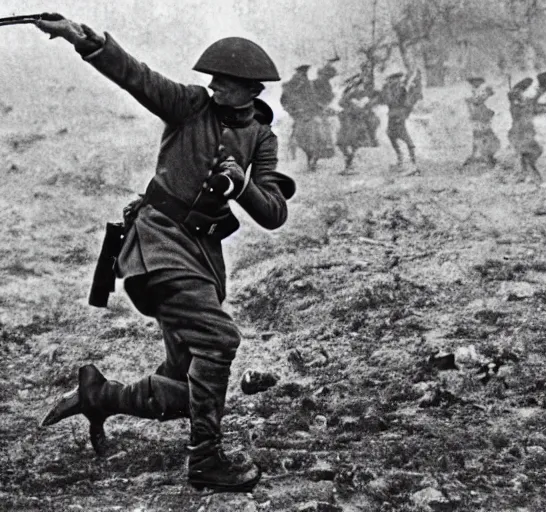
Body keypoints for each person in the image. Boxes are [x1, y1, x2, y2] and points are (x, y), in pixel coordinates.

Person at [34, 14, 295, 493]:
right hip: (156, 246)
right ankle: (206, 460)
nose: (214, 87)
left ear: (252, 90)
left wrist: (240, 185)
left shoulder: (262, 136)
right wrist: (86, 41)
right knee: (218, 341)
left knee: (184, 388)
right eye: (213, 79)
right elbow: (137, 76)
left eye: (226, 82)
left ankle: (101, 395)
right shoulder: (190, 106)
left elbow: (274, 211)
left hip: (202, 257)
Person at [381, 69, 423, 176]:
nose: (395, 81)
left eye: (397, 79)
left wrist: (404, 113)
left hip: (399, 117)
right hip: (393, 117)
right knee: (392, 136)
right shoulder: (389, 90)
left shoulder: (401, 90)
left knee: (407, 141)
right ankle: (401, 161)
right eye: (393, 79)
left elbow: (406, 103)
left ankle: (412, 163)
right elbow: (387, 101)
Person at [336, 71, 380, 174]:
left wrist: (361, 104)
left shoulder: (362, 93)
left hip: (357, 121)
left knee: (353, 143)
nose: (352, 85)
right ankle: (349, 163)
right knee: (341, 143)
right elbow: (341, 103)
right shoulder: (348, 92)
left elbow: (370, 103)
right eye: (351, 83)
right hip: (347, 120)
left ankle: (350, 165)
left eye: (355, 83)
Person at [507, 77, 545, 182]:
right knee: (528, 156)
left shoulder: (524, 104)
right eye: (518, 94)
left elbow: (533, 101)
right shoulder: (517, 106)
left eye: (521, 93)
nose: (521, 95)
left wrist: (539, 94)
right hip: (521, 134)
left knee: (527, 156)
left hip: (525, 134)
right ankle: (534, 178)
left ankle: (527, 175)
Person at [462, 77, 500, 168]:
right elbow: (473, 102)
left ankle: (484, 156)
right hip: (477, 117)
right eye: (474, 82)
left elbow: (481, 100)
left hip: (482, 116)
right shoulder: (472, 92)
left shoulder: (480, 92)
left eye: (477, 82)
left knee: (484, 135)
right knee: (478, 136)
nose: (476, 83)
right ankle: (478, 155)